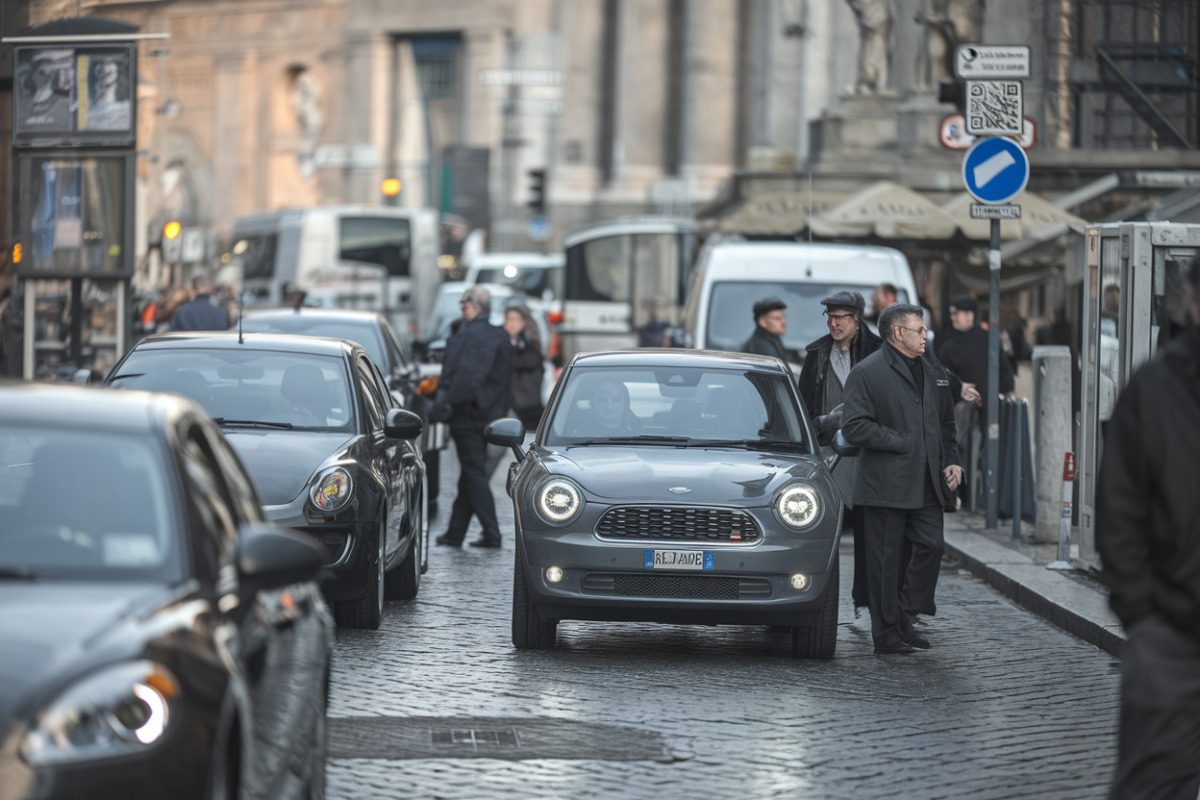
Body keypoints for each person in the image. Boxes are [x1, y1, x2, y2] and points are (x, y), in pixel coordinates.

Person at [1095, 258, 1200, 800]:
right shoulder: (1155, 387)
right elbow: (1118, 510)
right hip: (1175, 635)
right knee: (1154, 784)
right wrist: (1145, 614)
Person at [841, 303, 962, 655]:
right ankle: (887, 636)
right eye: (919, 330)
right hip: (885, 485)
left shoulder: (933, 370)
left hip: (928, 482)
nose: (925, 335)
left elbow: (947, 425)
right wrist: (903, 442)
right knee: (884, 563)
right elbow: (854, 426)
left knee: (932, 546)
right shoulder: (867, 372)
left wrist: (953, 460)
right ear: (897, 333)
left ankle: (904, 615)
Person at [797, 290, 882, 630]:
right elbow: (804, 404)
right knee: (819, 529)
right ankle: (809, 598)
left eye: (841, 318)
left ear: (857, 319)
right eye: (830, 317)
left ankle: (864, 605)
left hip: (866, 454)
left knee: (867, 534)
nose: (834, 323)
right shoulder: (817, 354)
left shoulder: (877, 351)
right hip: (827, 453)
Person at [432, 285, 513, 549]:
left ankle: (492, 533)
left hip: (468, 416)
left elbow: (465, 378)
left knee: (473, 473)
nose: (462, 310)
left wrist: (444, 406)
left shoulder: (469, 335)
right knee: (470, 473)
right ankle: (456, 532)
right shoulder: (499, 336)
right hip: (489, 415)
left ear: (475, 307)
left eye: (464, 305)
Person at [935, 293, 1012, 497]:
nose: (952, 318)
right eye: (951, 314)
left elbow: (1005, 371)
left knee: (990, 456)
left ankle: (989, 496)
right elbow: (942, 381)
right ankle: (963, 494)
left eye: (956, 314)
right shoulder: (948, 345)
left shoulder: (989, 340)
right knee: (962, 454)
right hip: (961, 413)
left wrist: (999, 396)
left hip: (990, 412)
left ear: (970, 315)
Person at [504, 305, 545, 431]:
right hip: (508, 401)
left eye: (515, 319)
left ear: (523, 323)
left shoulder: (529, 344)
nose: (512, 323)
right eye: (509, 319)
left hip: (527, 403)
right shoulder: (499, 341)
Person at [742, 297, 791, 364]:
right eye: (778, 318)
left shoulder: (772, 339)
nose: (784, 322)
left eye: (783, 317)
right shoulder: (762, 348)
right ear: (763, 322)